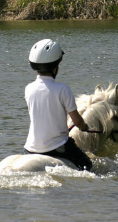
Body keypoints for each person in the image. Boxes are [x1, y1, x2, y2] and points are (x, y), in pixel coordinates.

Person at [23, 39, 93, 171]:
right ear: (55, 67)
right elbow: (77, 121)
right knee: (88, 166)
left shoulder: (28, 88)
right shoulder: (63, 89)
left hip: (30, 148)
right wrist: (84, 127)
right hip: (56, 147)